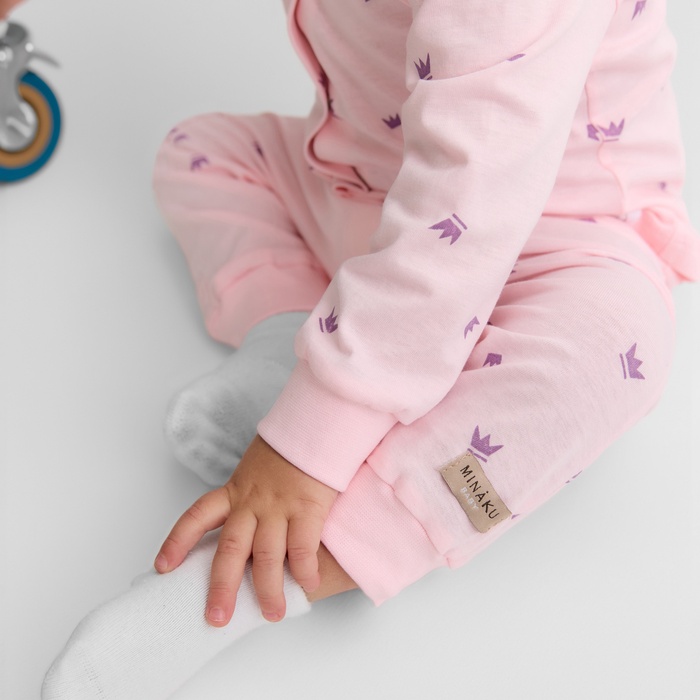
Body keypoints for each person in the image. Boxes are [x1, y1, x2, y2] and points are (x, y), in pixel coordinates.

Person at [39, 1, 698, 698]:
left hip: (556, 240)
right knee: (204, 152)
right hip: (373, 189)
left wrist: (307, 446)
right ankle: (285, 345)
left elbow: (469, 210)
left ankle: (259, 572)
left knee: (613, 351)